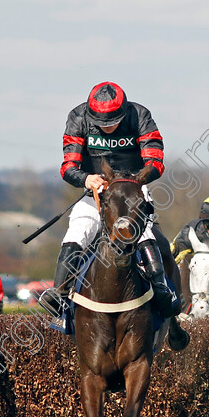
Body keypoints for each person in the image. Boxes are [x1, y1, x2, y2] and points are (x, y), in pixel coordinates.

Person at [44, 81, 176, 319]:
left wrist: (134, 180)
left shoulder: (140, 115)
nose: (107, 127)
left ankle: (161, 289)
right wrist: (86, 179)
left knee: (143, 231)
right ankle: (59, 296)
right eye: (101, 123)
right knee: (77, 231)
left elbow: (155, 161)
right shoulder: (78, 116)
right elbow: (68, 167)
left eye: (112, 121)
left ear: (123, 112)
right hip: (95, 193)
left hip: (132, 191)